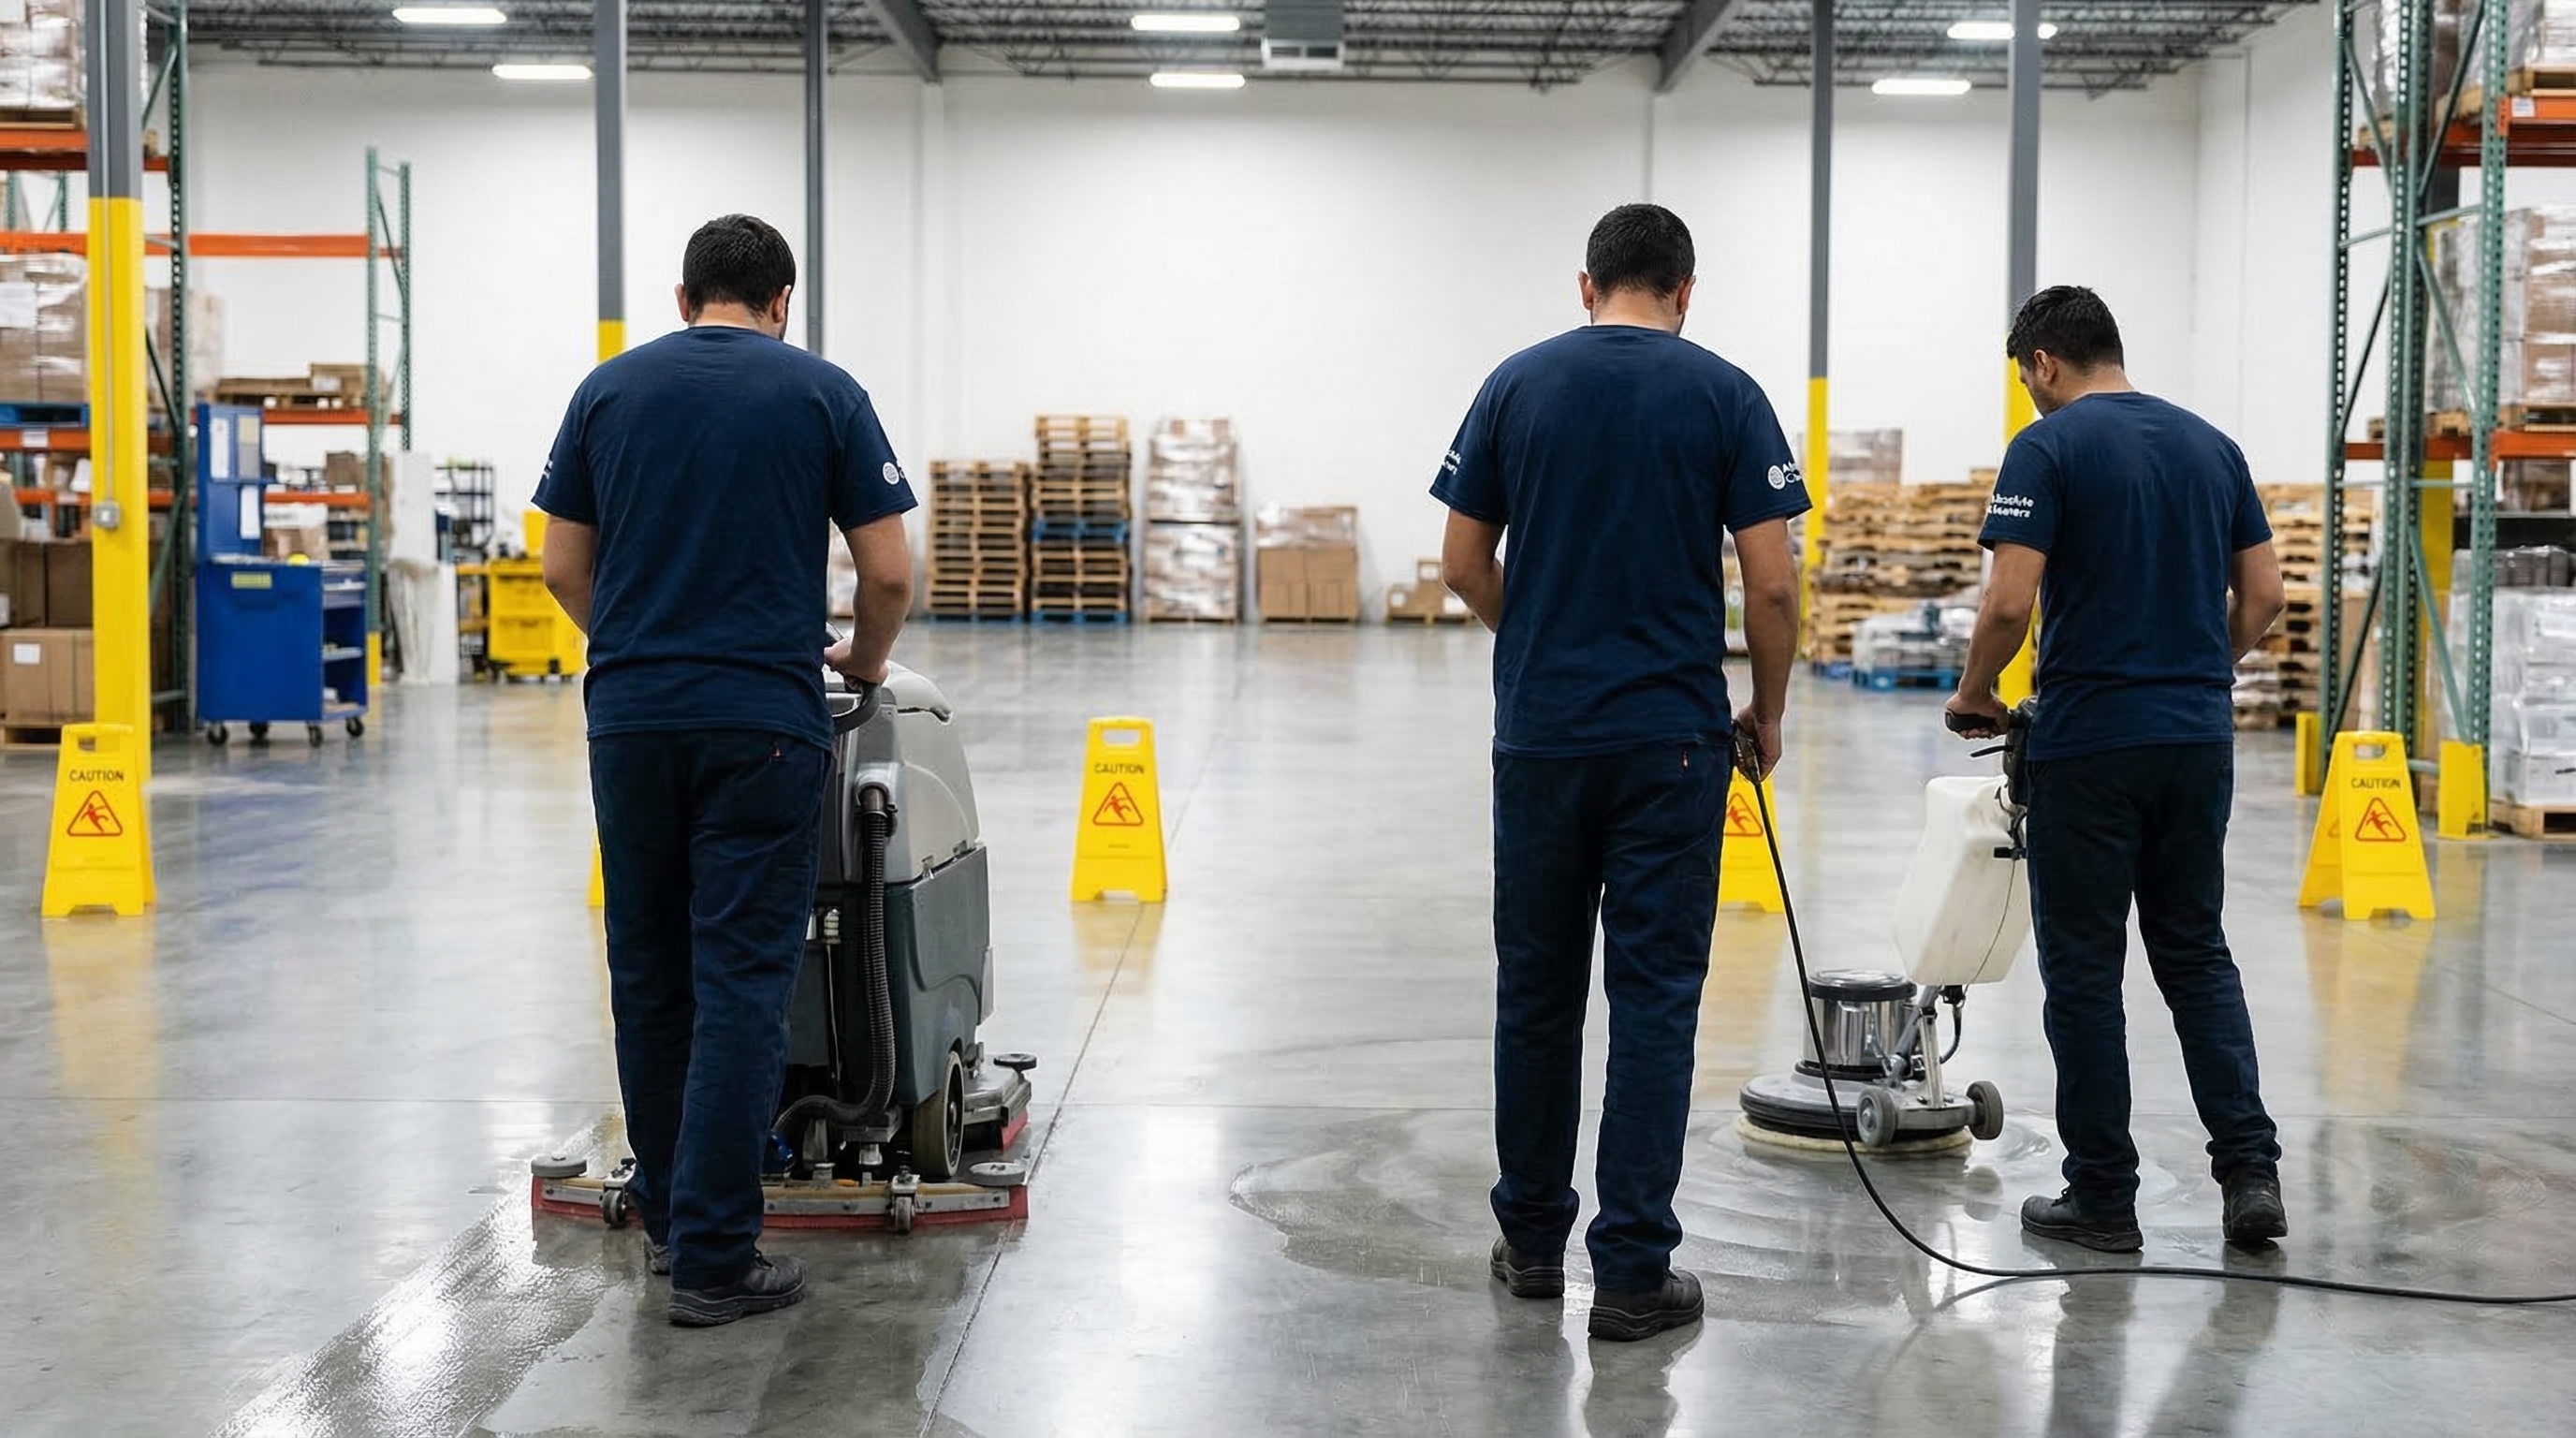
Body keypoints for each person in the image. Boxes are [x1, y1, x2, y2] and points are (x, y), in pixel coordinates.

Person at [1434, 202, 1808, 1343]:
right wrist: (1767, 713)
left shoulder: (1514, 384)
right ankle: (1635, 1274)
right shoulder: (1726, 394)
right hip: (1671, 744)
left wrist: (1539, 639)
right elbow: (1773, 584)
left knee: (1537, 994)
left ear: (1585, 286)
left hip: (1541, 739)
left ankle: (1531, 1246)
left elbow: (1462, 563)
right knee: (1653, 1002)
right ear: (1686, 292)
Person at [536, 213, 916, 1327]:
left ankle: (668, 1223)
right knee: (743, 983)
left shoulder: (607, 391)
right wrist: (865, 660)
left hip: (631, 721)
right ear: (781, 301)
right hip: (762, 724)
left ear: (682, 296)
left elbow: (560, 564)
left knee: (650, 979)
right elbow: (889, 571)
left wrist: (638, 643)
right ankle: (713, 1258)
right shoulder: (823, 393)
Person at [1946, 285, 2290, 1255]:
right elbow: (2264, 595)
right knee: (2195, 953)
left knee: (2086, 971)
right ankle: (2250, 1175)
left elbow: (2007, 603)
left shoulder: (2046, 448)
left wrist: (1975, 689)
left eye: (2027, 380)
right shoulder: (2212, 447)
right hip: (2196, 740)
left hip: (2091, 742)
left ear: (2045, 363)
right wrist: (2201, 665)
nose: (2030, 396)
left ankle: (2102, 1196)